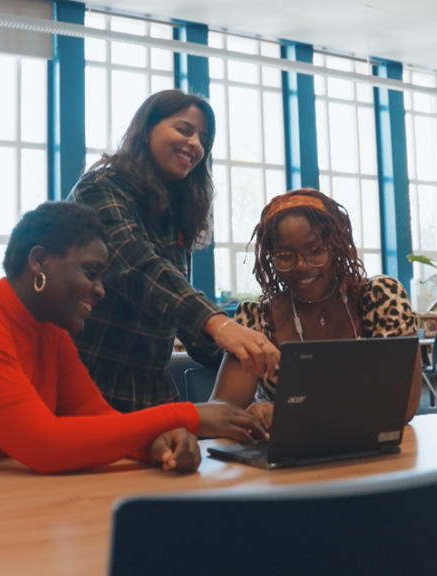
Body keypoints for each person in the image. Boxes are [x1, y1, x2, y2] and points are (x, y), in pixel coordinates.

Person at [0, 202, 266, 474]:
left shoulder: (50, 334)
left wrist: (158, 446)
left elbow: (97, 419)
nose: (101, 290)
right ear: (39, 260)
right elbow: (44, 446)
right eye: (90, 273)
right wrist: (187, 416)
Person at [70, 89, 280, 413]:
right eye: (184, 130)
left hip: (153, 393)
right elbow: (140, 268)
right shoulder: (100, 187)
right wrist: (220, 324)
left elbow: (179, 313)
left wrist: (247, 357)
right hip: (89, 387)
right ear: (145, 131)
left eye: (203, 139)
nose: (196, 143)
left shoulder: (173, 212)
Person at [209, 189, 423, 429]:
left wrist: (291, 416)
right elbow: (223, 408)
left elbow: (404, 406)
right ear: (270, 258)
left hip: (372, 453)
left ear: (337, 247)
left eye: (316, 250)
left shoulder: (381, 297)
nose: (301, 266)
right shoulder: (257, 318)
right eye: (285, 255)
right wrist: (252, 415)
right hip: (288, 459)